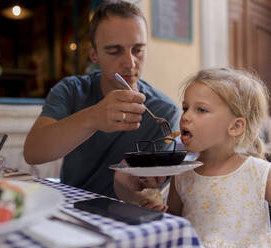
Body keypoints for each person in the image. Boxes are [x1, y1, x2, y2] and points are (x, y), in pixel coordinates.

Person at [23, 0, 180, 200]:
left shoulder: (164, 112)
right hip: (71, 206)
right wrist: (92, 118)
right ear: (93, 54)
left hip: (124, 214)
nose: (130, 62)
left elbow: (147, 194)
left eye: (138, 50)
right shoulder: (72, 90)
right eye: (114, 51)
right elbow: (33, 152)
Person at [142, 68, 271, 246]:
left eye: (201, 110)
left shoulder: (260, 173)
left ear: (235, 126)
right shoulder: (181, 174)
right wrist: (156, 211)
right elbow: (175, 226)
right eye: (185, 108)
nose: (185, 116)